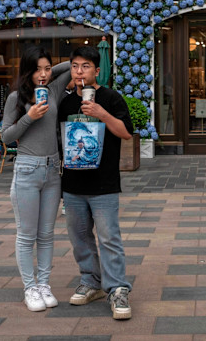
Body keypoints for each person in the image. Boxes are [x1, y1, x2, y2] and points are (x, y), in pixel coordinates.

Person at [58, 46, 134, 319]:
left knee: (109, 238)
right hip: (73, 184)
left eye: (86, 66)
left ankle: (117, 289)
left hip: (104, 184)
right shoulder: (65, 103)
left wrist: (102, 114)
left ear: (97, 70)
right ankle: (91, 281)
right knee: (79, 237)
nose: (80, 71)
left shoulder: (112, 98)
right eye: (75, 66)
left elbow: (126, 133)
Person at [1, 46, 71, 312]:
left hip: (53, 170)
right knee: (26, 235)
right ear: (27, 71)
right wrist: (29, 117)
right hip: (27, 170)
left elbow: (70, 65)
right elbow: (6, 136)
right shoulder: (16, 99)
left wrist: (52, 70)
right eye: (37, 69)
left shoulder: (53, 89)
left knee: (47, 234)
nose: (42, 74)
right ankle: (29, 288)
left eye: (46, 68)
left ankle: (44, 284)